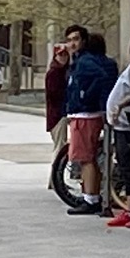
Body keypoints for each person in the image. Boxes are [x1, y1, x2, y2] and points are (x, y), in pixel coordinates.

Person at [64, 31, 118, 217]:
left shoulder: (85, 62)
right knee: (89, 157)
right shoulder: (101, 61)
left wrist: (85, 95)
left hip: (85, 113)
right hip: (92, 111)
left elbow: (100, 78)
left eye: (75, 40)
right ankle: (92, 196)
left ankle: (90, 198)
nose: (72, 44)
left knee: (86, 158)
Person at [103, 47, 130, 229]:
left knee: (129, 167)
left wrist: (120, 105)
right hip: (120, 124)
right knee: (125, 166)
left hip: (126, 124)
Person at [44, 33, 74, 190]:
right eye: (60, 55)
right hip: (58, 115)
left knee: (59, 146)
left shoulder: (63, 72)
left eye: (65, 55)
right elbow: (53, 95)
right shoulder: (55, 73)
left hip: (60, 114)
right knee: (59, 146)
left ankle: (54, 180)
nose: (63, 58)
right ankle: (55, 180)